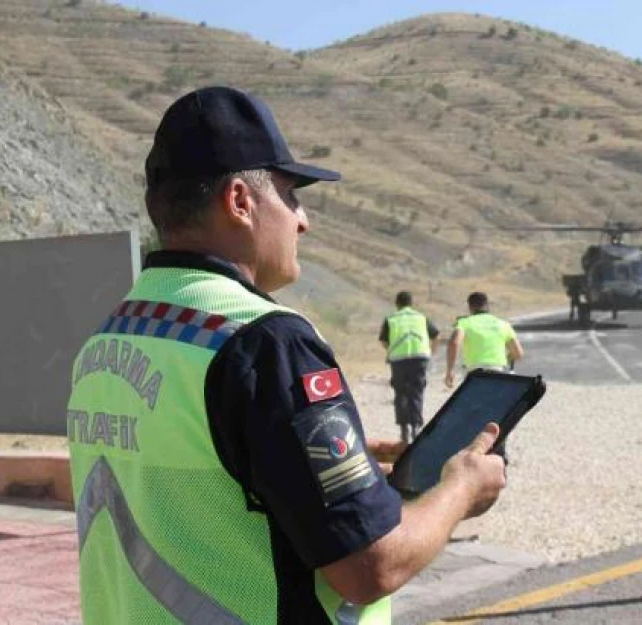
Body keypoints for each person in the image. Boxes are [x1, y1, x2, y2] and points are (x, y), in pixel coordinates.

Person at [64, 86, 506, 625]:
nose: (303, 220)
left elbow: (194, 482)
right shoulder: (266, 342)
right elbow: (370, 567)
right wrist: (462, 488)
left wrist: (299, 458)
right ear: (240, 202)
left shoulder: (110, 338)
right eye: (291, 195)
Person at [379, 290, 440, 443]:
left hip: (399, 360)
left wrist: (390, 351)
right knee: (416, 392)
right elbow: (436, 335)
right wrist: (430, 352)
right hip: (419, 358)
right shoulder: (421, 318)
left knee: (401, 393)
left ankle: (403, 430)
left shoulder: (391, 319)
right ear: (411, 303)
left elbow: (383, 341)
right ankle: (416, 427)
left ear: (397, 304)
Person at [444, 291, 524, 389]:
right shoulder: (503, 324)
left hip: (475, 373)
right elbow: (518, 353)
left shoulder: (464, 323)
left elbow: (454, 343)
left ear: (470, 307)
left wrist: (450, 371)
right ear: (487, 305)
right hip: (498, 371)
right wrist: (507, 359)